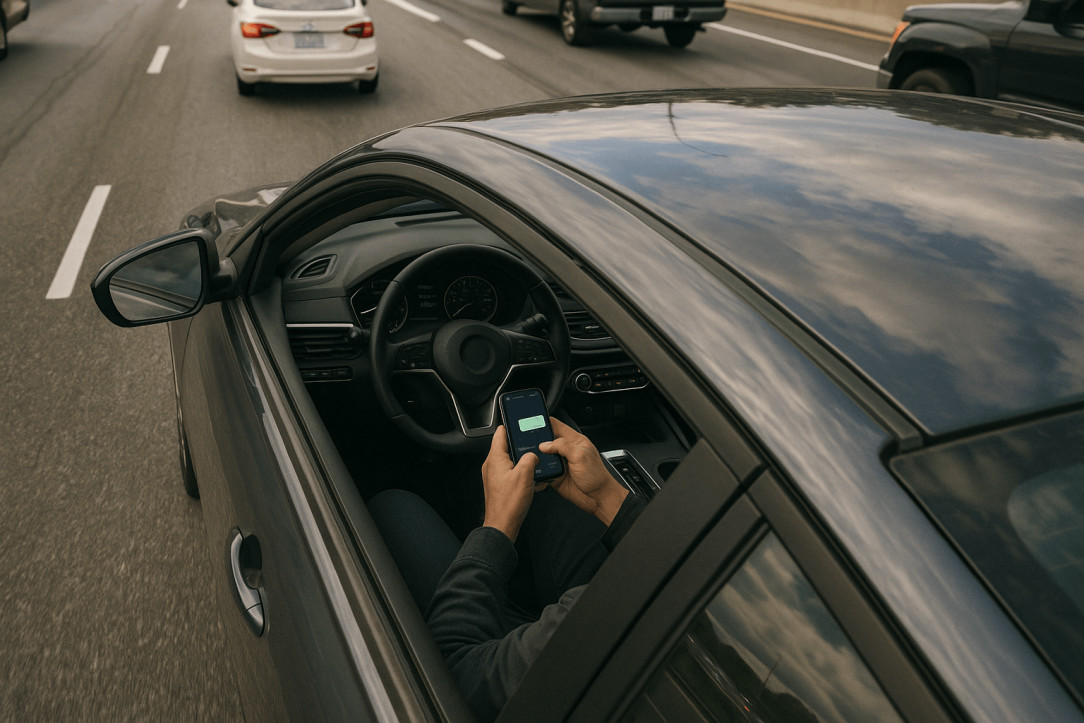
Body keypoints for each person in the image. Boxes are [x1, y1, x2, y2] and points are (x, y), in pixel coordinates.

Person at [369, 418, 647, 721]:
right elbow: (668, 551)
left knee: (394, 507)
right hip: (613, 614)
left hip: (550, 667)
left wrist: (497, 525)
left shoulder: (599, 616)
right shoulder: (681, 574)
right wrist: (608, 498)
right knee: (552, 485)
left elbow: (454, 675)